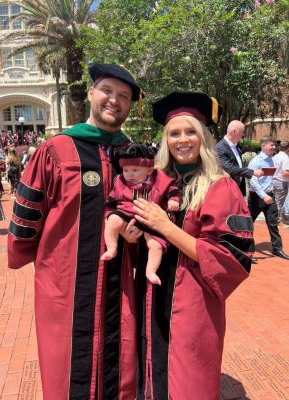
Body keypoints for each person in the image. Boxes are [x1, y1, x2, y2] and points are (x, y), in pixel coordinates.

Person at [8, 63, 144, 400]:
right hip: (65, 286)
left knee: (120, 367)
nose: (114, 101)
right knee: (67, 369)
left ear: (130, 106)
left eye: (124, 96)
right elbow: (27, 217)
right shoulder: (56, 150)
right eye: (108, 92)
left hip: (120, 282)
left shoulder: (135, 156)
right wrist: (42, 262)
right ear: (92, 94)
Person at [134, 92, 255, 400]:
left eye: (191, 132)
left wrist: (165, 226)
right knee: (150, 375)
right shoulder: (155, 182)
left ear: (203, 137)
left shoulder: (220, 185)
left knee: (189, 380)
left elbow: (231, 256)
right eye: (174, 133)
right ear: (166, 140)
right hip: (151, 296)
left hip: (193, 301)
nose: (182, 140)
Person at [101, 143, 181, 285]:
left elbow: (172, 189)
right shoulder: (120, 182)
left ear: (149, 170)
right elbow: (111, 201)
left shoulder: (159, 179)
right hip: (126, 212)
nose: (129, 174)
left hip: (152, 219)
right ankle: (112, 248)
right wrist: (109, 214)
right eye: (126, 170)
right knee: (113, 220)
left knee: (155, 245)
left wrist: (174, 201)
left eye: (135, 170)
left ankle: (151, 270)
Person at [248, 136, 289, 260]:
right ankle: (246, 251)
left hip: (270, 197)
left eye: (274, 145)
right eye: (271, 145)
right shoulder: (256, 161)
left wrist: (270, 192)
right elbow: (253, 181)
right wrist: (263, 195)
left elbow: (269, 178)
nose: (274, 147)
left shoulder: (271, 160)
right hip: (256, 198)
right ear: (263, 146)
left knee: (273, 224)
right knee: (248, 225)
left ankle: (277, 249)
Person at [215, 120, 263, 196]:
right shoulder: (220, 148)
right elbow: (229, 168)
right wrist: (252, 172)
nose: (243, 134)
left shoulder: (235, 146)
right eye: (242, 132)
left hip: (238, 188)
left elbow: (239, 164)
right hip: (227, 189)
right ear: (234, 131)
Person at [272, 141, 289, 222]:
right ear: (288, 148)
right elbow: (285, 172)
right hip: (282, 182)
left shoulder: (275, 156)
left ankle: (280, 217)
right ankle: (276, 219)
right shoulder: (286, 158)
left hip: (274, 180)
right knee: (279, 202)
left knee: (275, 201)